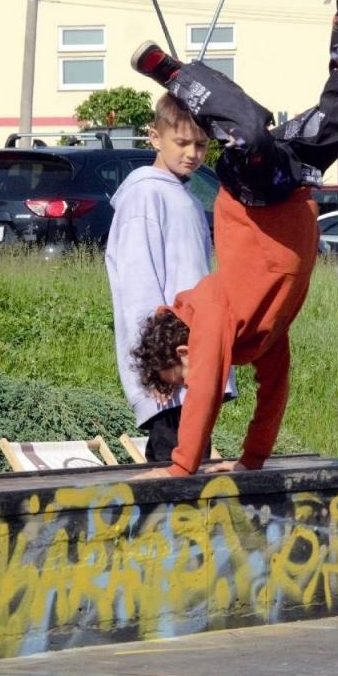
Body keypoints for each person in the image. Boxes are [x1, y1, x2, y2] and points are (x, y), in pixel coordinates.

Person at [126, 0, 338, 478]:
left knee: (250, 133)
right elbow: (273, 395)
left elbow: (210, 383)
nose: (190, 385)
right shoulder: (260, 337)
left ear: (182, 348)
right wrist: (251, 461)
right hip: (294, 179)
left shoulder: (210, 313)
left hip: (253, 191)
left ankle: (174, 76)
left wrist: (182, 466)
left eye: (179, 378)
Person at [104, 97, 234, 463]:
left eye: (201, 145)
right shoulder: (145, 195)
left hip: (194, 361)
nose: (193, 154)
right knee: (172, 467)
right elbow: (138, 285)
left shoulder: (187, 197)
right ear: (154, 137)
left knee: (193, 464)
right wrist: (157, 366)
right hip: (170, 368)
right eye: (182, 143)